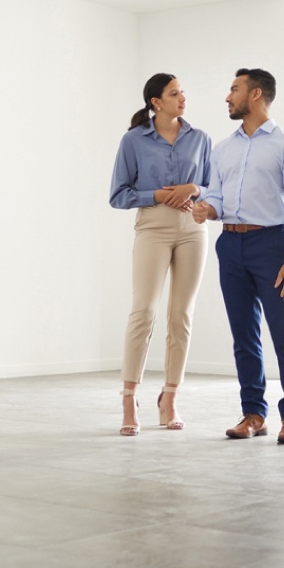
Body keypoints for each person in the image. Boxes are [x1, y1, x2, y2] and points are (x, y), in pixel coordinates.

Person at [192, 68, 284, 444]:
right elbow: (216, 194)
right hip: (230, 246)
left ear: (256, 95)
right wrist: (206, 210)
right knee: (244, 336)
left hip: (272, 246)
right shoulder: (223, 148)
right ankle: (253, 414)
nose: (228, 97)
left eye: (234, 89)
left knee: (283, 333)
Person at [109, 74, 213, 436]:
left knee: (181, 315)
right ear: (156, 102)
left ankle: (169, 397)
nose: (182, 97)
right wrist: (157, 195)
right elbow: (118, 194)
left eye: (183, 91)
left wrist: (193, 188)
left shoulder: (200, 139)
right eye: (174, 93)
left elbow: (214, 187)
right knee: (144, 311)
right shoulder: (133, 141)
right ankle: (128, 397)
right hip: (152, 228)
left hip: (193, 230)